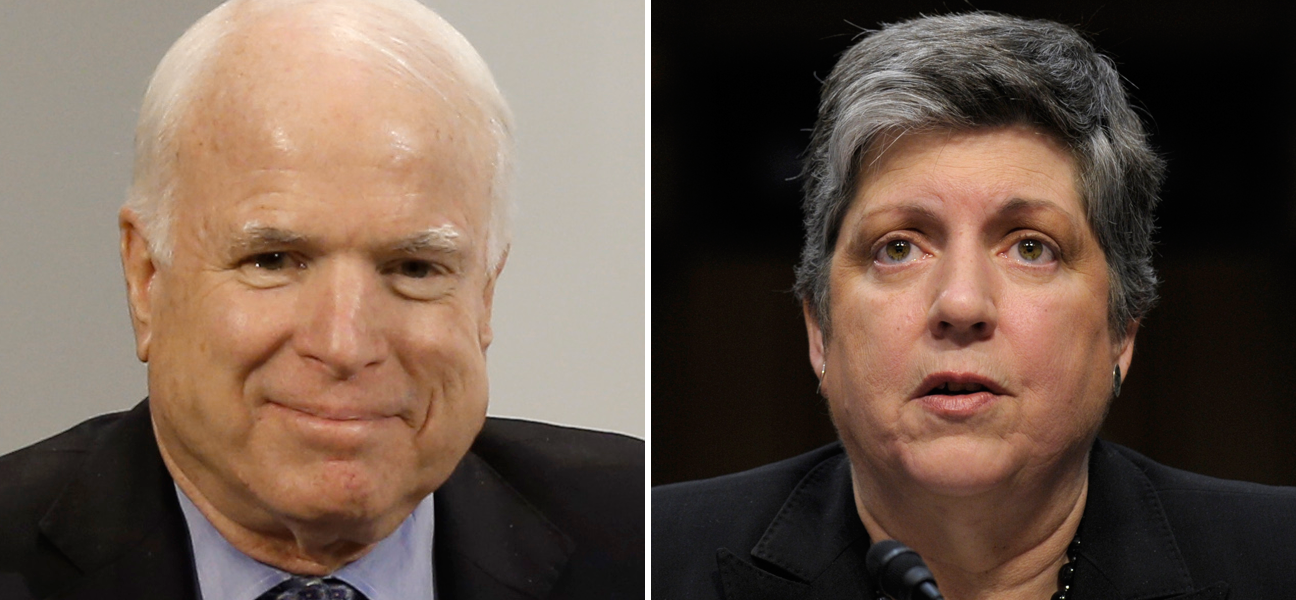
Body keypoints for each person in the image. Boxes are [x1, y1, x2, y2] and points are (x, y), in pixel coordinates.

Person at [0, 1, 642, 599]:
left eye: (415, 268)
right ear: (147, 279)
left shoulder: (641, 535)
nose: (344, 344)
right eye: (272, 261)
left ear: (484, 298)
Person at [653, 12, 1296, 600]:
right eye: (898, 247)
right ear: (819, 328)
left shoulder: (1277, 559)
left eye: (1031, 248)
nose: (961, 303)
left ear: (1121, 331)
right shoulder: (647, 557)